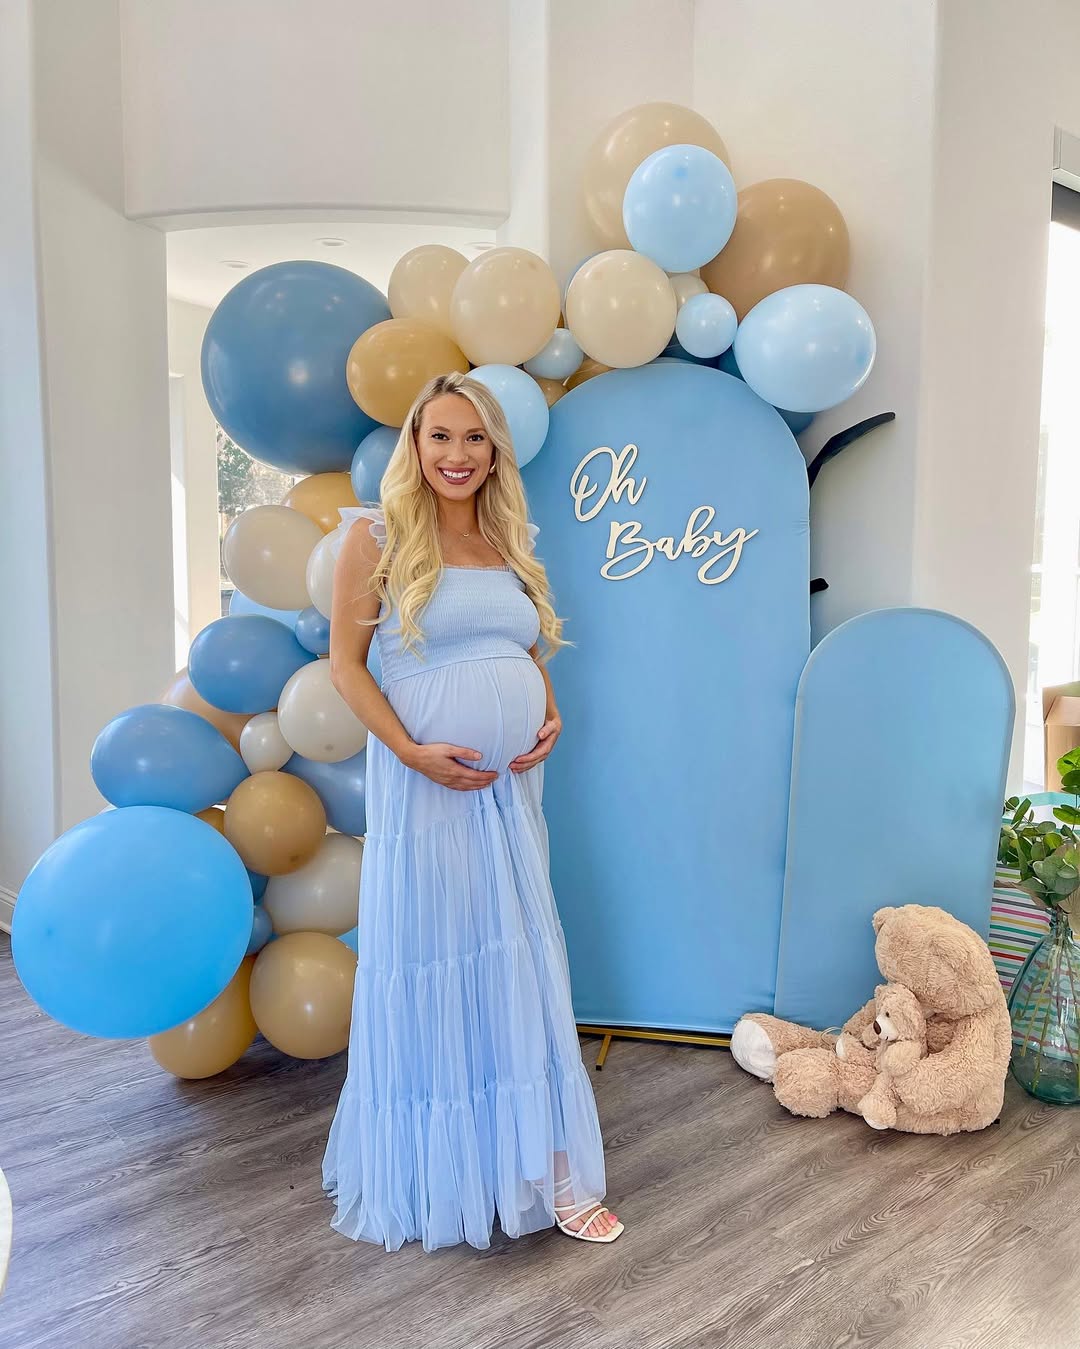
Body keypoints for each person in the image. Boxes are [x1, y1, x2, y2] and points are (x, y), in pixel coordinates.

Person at [321, 372, 623, 1253]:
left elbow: (525, 646)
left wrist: (549, 709)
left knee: (518, 960)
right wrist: (410, 752)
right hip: (428, 792)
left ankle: (550, 1167)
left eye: (475, 438)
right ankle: (447, 1171)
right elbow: (347, 666)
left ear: (496, 452)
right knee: (444, 959)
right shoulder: (375, 537)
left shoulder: (507, 538)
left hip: (509, 793)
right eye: (441, 436)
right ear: (415, 445)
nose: (458, 454)